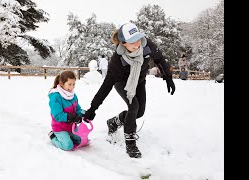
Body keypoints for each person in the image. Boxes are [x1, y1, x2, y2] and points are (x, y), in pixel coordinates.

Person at [83, 22, 175, 158]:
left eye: (138, 38)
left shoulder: (147, 46)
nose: (137, 43)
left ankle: (114, 121)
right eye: (132, 41)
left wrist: (168, 77)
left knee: (139, 112)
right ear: (123, 43)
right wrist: (93, 108)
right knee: (134, 106)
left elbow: (160, 59)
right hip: (121, 82)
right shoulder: (116, 60)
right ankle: (130, 142)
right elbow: (106, 86)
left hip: (139, 80)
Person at [48, 70, 86, 151]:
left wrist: (85, 113)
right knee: (68, 146)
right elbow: (57, 115)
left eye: (73, 84)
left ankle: (67, 137)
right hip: (60, 127)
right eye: (69, 84)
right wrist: (71, 117)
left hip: (71, 127)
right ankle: (53, 137)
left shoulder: (73, 95)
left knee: (81, 140)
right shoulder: (55, 97)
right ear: (61, 83)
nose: (72, 87)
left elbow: (78, 109)